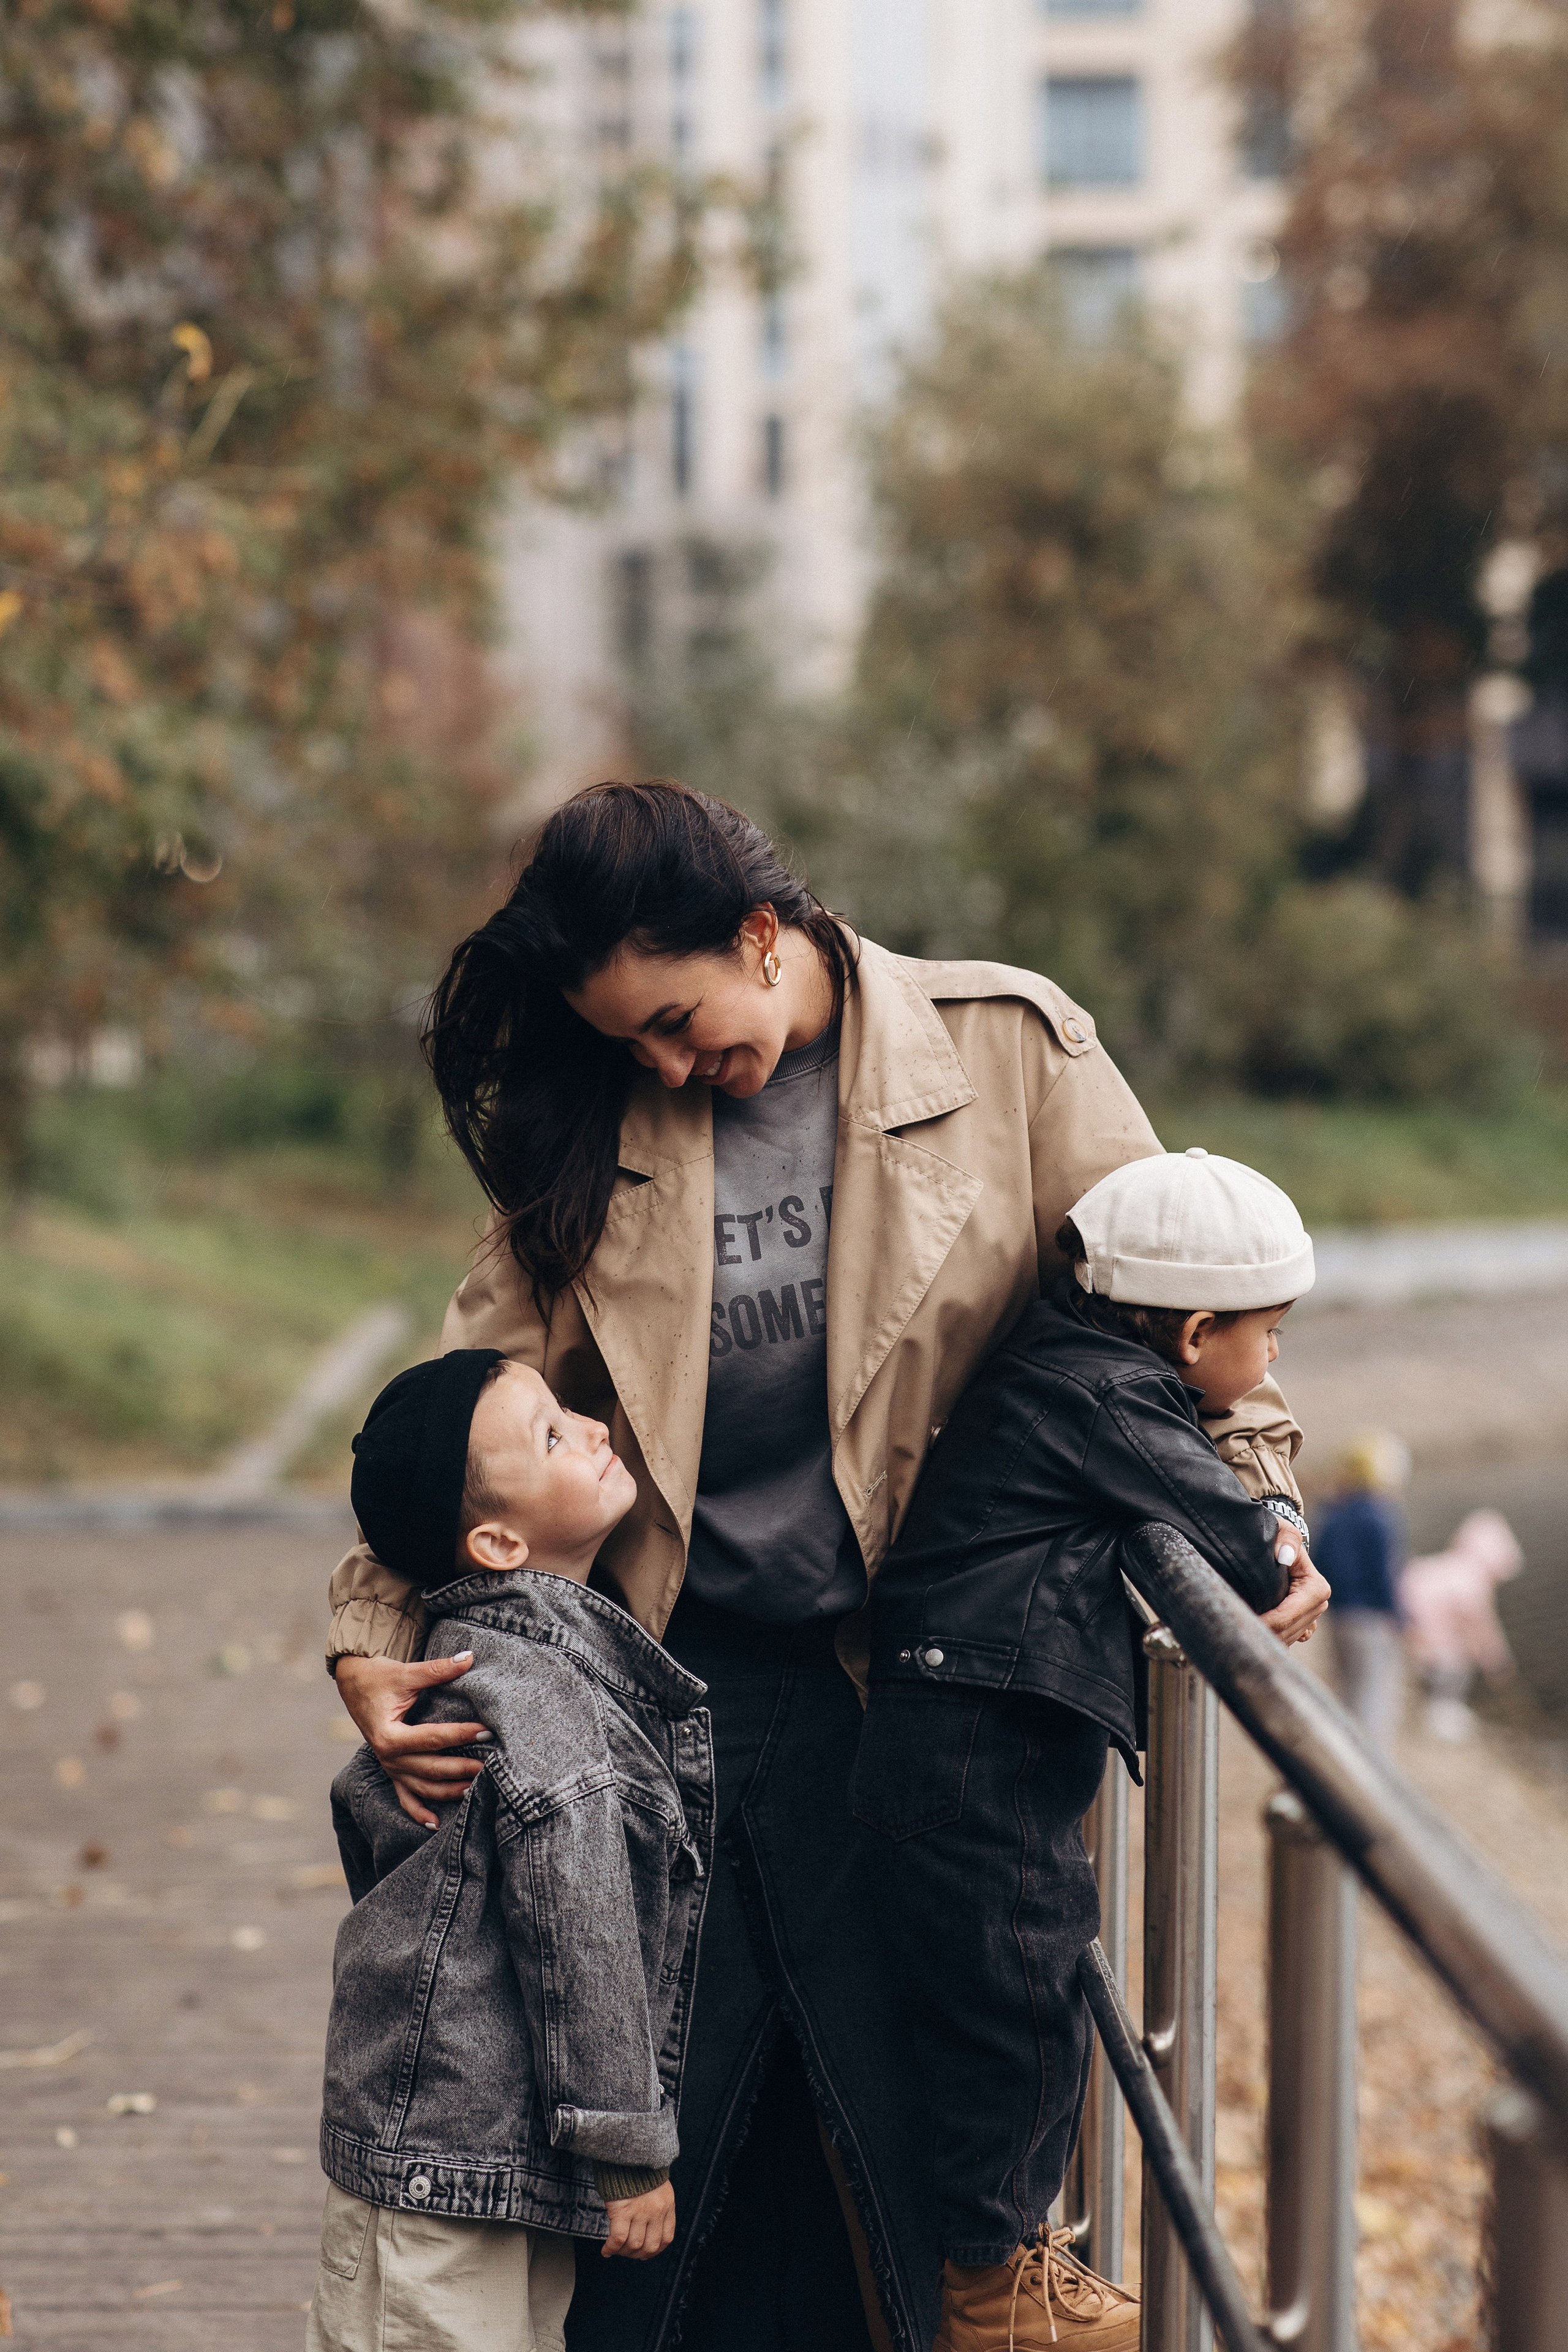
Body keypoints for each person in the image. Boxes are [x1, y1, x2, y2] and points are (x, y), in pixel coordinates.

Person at [322, 781, 1319, 2352]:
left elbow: (1178, 1319)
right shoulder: (608, 1117)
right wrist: (376, 1636)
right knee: (663, 2153)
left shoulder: (1007, 1049)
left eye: (674, 1016)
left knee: (917, 2129)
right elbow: (467, 1399)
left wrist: (1257, 1517)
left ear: (761, 932)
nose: (659, 1061)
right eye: (624, 1040)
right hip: (673, 1682)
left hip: (932, 1688)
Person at [859, 1149, 1328, 2351]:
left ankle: (1004, 2260)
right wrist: (1274, 1521)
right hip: (976, 1735)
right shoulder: (1106, 1397)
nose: (1270, 1363)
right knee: (1021, 1989)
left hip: (964, 1717)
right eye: (1266, 1337)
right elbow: (1231, 1547)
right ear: (1194, 1331)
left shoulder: (1070, 1373)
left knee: (1018, 1975)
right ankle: (993, 2288)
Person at [307, 1349, 713, 2352]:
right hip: (446, 2164)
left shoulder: (506, 1664)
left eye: (568, 1414)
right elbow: (585, 1930)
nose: (594, 1427)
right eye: (550, 1435)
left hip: (466, 2145)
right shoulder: (534, 1692)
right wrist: (629, 2154)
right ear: (496, 1539)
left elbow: (365, 1808)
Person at [1314, 1430, 1411, 1751]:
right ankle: (1369, 1768)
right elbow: (1385, 1575)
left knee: (1346, 1690)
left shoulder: (1332, 1512)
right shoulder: (1379, 1517)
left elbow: (1320, 1561)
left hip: (1338, 1616)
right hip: (1370, 1619)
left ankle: (1341, 1755)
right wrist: (1402, 1620)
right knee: (1373, 1695)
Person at [1401, 1507, 1523, 1743]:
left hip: (1405, 1628)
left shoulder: (1447, 1566)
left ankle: (1431, 1711)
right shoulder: (1472, 1581)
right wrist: (1497, 1663)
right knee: (1456, 1663)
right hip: (1426, 1641)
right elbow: (1482, 1629)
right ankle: (1440, 1716)